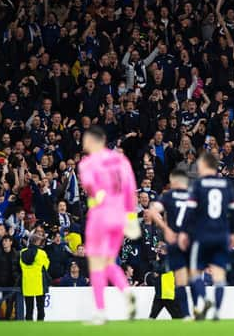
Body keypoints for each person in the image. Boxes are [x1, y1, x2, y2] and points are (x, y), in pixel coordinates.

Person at [79, 126, 140, 324]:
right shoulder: (121, 160)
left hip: (99, 215)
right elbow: (130, 187)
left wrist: (97, 193)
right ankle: (126, 290)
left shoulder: (87, 163)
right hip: (119, 216)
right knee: (108, 261)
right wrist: (130, 217)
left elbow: (89, 184)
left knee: (97, 263)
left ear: (91, 140)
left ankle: (100, 311)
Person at [179, 152, 234, 320]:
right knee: (219, 274)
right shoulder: (226, 184)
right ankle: (217, 312)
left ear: (205, 164)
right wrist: (233, 233)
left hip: (202, 235)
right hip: (221, 235)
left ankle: (204, 300)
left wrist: (184, 231)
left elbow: (190, 211)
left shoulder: (198, 184)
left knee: (195, 272)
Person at [148, 169, 191, 318]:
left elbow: (153, 211)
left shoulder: (168, 197)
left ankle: (183, 315)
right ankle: (185, 314)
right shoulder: (192, 196)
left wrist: (166, 229)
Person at [20, 233, 50, 321]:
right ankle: (40, 328)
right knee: (40, 308)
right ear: (37, 242)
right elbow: (46, 266)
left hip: (27, 283)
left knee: (29, 309)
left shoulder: (22, 252)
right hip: (39, 283)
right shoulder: (42, 253)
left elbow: (20, 266)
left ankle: (29, 329)